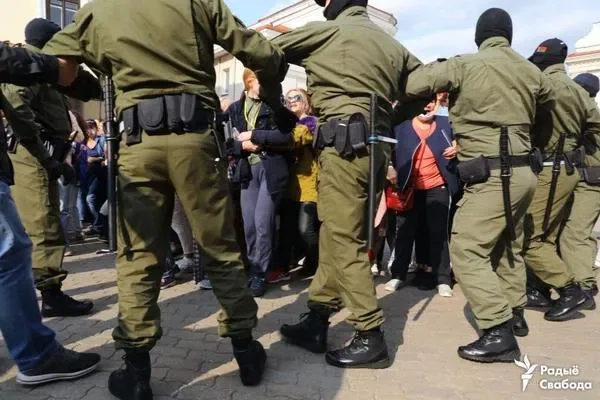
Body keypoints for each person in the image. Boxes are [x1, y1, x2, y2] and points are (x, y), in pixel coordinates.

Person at [43, 0, 288, 397]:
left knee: (138, 256)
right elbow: (259, 52)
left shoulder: (99, 9)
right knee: (220, 249)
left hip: (138, 142)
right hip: (196, 141)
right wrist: (276, 80)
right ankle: (245, 351)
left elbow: (58, 66)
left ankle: (136, 369)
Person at [273, 0, 422, 369]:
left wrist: (271, 99)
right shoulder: (392, 45)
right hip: (375, 148)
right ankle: (318, 318)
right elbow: (422, 87)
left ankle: (370, 334)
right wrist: (388, 118)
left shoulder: (326, 31)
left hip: (343, 147)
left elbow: (266, 51)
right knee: (334, 234)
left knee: (344, 239)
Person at [405, 8, 555, 363]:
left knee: (466, 248)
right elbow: (547, 116)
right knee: (507, 244)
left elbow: (414, 85)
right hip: (524, 173)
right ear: (508, 35)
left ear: (479, 36)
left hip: (489, 173)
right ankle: (514, 312)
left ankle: (497, 329)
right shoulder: (532, 72)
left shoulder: (464, 65)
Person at [0, 38, 100, 387]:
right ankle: (37, 351)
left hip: (42, 153)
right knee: (19, 245)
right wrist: (51, 68)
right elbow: (16, 105)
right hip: (32, 155)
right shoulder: (31, 64)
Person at [522, 39, 596, 320]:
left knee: (530, 238)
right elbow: (595, 124)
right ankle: (541, 289)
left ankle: (570, 291)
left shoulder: (544, 86)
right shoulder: (578, 91)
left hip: (550, 168)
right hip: (567, 169)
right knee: (548, 236)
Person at [385, 94, 459, 297]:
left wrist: (458, 147)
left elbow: (467, 138)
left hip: (438, 186)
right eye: (422, 102)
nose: (427, 106)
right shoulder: (400, 125)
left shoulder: (447, 123)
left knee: (438, 233)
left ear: (437, 104)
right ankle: (398, 275)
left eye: (431, 102)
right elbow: (386, 149)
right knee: (405, 232)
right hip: (408, 187)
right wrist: (389, 167)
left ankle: (443, 278)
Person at [227, 69, 293, 297]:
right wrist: (242, 146)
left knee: (263, 223)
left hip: (271, 169)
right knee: (249, 226)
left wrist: (254, 135)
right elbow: (227, 142)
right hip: (247, 170)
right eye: (261, 81)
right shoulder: (235, 109)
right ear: (249, 82)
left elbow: (287, 137)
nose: (266, 86)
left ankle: (259, 273)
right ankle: (253, 266)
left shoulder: (276, 107)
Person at [557, 73, 600, 307]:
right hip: (586, 181)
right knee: (582, 233)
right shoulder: (588, 112)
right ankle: (586, 276)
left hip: (589, 182)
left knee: (573, 235)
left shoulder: (587, 115)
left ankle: (584, 287)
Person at [270, 88, 320, 282]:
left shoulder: (311, 122)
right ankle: (282, 266)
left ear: (305, 102)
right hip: (288, 183)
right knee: (286, 229)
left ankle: (314, 263)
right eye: (288, 98)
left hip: (308, 183)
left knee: (305, 229)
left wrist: (261, 137)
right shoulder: (287, 125)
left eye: (296, 97)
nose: (291, 101)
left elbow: (295, 138)